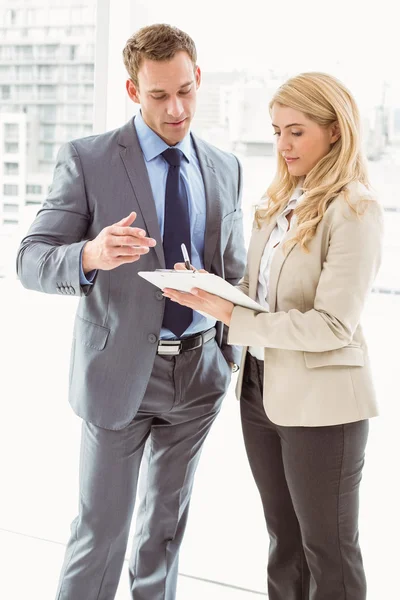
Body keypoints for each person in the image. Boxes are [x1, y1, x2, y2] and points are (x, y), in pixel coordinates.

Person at [16, 23, 245, 600]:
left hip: (198, 375)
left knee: (163, 538)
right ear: (131, 89)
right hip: (119, 377)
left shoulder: (224, 166)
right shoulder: (89, 160)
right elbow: (30, 260)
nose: (176, 108)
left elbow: (234, 269)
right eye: (158, 94)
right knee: (101, 534)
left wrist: (226, 352)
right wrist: (91, 254)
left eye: (186, 91)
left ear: (199, 79)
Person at [163, 72, 384, 599]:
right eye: (276, 130)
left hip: (324, 407)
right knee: (283, 541)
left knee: (327, 550)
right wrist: (209, 289)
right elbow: (259, 291)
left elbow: (333, 325)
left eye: (296, 131)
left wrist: (232, 317)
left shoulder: (354, 209)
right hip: (260, 389)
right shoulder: (281, 202)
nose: (281, 144)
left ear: (334, 132)